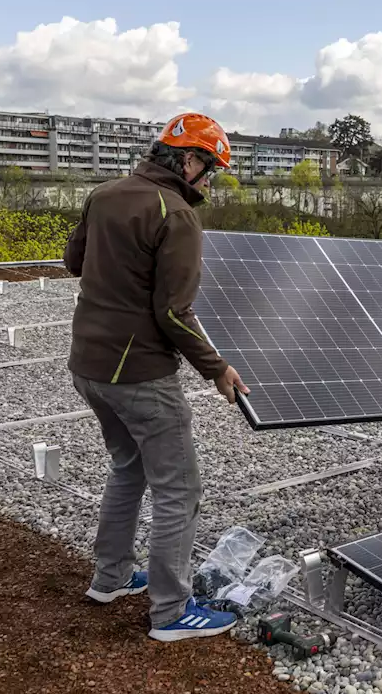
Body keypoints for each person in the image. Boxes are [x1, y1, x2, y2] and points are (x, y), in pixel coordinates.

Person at [63, 111, 250, 642]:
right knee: (179, 489)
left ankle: (111, 578)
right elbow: (173, 313)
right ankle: (171, 612)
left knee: (127, 468)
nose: (209, 180)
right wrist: (217, 368)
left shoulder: (105, 193)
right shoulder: (176, 214)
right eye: (209, 167)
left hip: (89, 366)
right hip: (139, 373)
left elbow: (72, 261)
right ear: (188, 160)